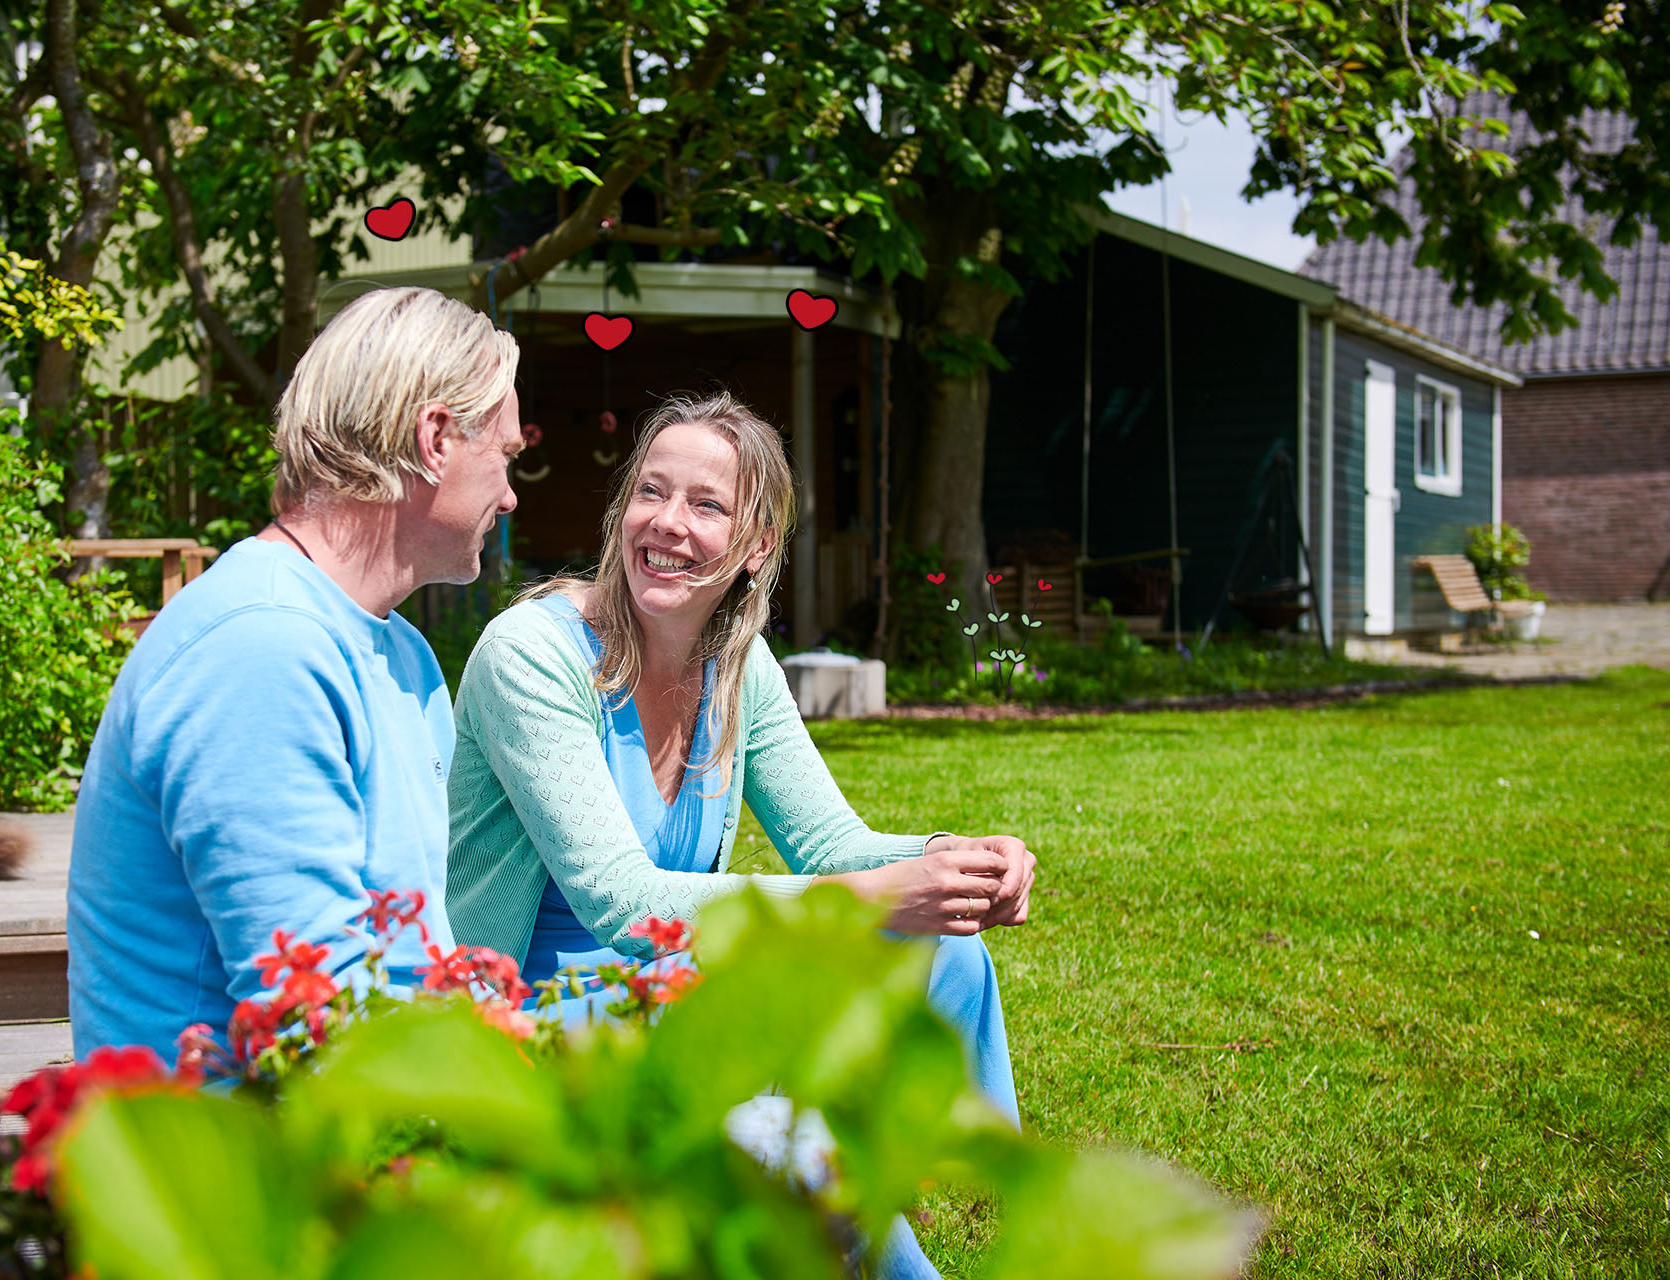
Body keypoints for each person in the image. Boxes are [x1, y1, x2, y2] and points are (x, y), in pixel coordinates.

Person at [445, 391, 1035, 1277]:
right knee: (801, 1161)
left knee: (948, 953)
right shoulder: (532, 655)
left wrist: (951, 863)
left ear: (756, 548)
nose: (668, 523)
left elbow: (832, 844)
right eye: (651, 493)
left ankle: (947, 1170)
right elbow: (625, 904)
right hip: (542, 1016)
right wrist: (882, 896)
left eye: (706, 505)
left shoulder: (736, 663)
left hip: (682, 991)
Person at [67, 287, 524, 1062]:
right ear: (436, 438)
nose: (510, 495)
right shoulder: (261, 651)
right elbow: (314, 1016)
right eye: (505, 456)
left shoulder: (401, 655)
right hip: (238, 1161)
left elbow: (414, 959)